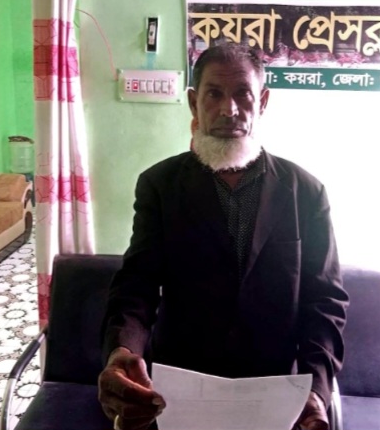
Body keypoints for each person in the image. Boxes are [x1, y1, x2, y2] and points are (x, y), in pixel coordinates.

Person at [97, 43, 349, 430]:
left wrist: (316, 387)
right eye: (214, 94)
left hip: (274, 390)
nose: (229, 110)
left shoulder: (306, 193)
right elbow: (137, 284)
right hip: (181, 386)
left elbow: (325, 301)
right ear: (193, 103)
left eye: (243, 94)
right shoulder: (160, 185)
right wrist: (123, 349)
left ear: (262, 102)